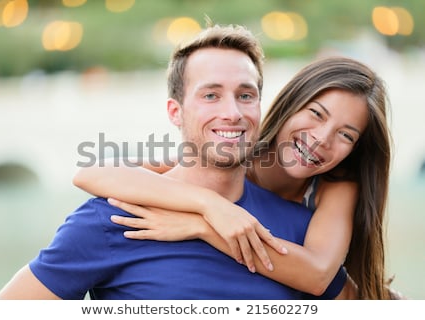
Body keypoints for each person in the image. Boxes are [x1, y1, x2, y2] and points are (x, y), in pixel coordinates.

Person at [0, 23, 349, 300]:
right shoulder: (113, 217)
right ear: (175, 113)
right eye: (211, 95)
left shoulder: (299, 228)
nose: (232, 113)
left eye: (245, 95)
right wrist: (209, 207)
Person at [72, 55, 395, 299]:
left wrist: (203, 226)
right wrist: (213, 206)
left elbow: (319, 274)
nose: (322, 138)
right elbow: (92, 172)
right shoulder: (232, 155)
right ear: (290, 104)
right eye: (315, 113)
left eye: (346, 135)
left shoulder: (338, 183)